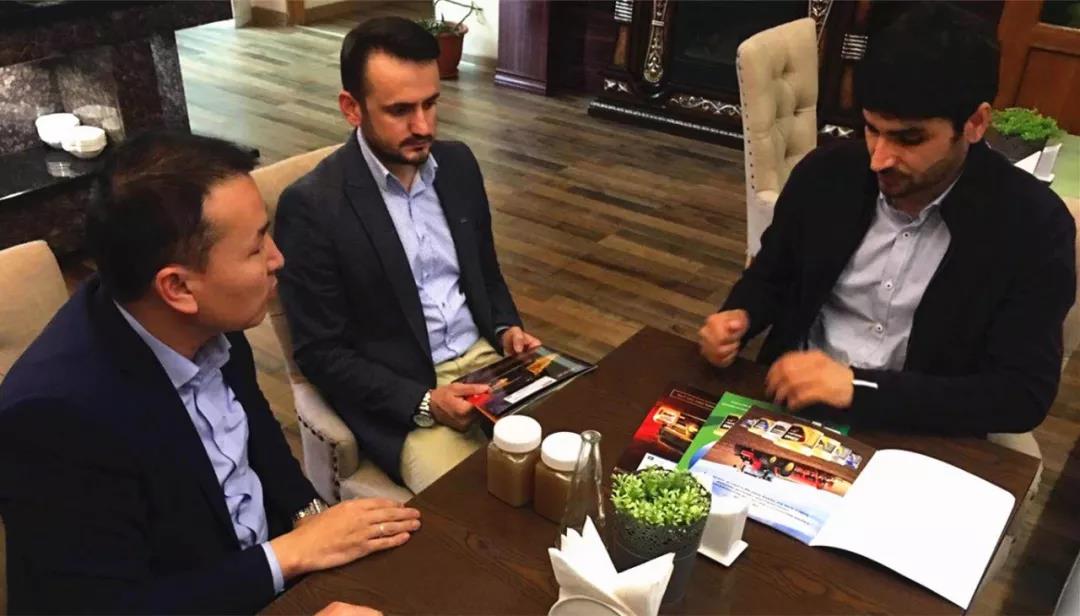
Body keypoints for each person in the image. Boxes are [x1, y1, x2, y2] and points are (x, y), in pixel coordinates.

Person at [0, 132, 420, 614]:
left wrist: (312, 520)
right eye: (256, 248)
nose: (277, 259)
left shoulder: (204, 318)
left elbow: (259, 436)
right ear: (178, 287)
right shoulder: (54, 419)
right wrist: (287, 555)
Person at [699, 3, 1075, 436]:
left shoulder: (1031, 225)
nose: (879, 159)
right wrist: (740, 316)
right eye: (871, 129)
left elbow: (1021, 394)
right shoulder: (827, 175)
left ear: (974, 123)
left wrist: (858, 389)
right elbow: (772, 274)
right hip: (789, 406)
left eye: (908, 139)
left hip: (918, 432)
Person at [275, 17, 540, 494]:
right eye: (400, 110)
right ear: (351, 108)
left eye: (431, 103)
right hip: (405, 394)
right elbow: (320, 352)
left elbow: (486, 273)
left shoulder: (458, 164)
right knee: (477, 506)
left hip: (489, 364)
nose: (423, 126)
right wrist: (424, 401)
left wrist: (505, 328)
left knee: (577, 448)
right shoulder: (312, 206)